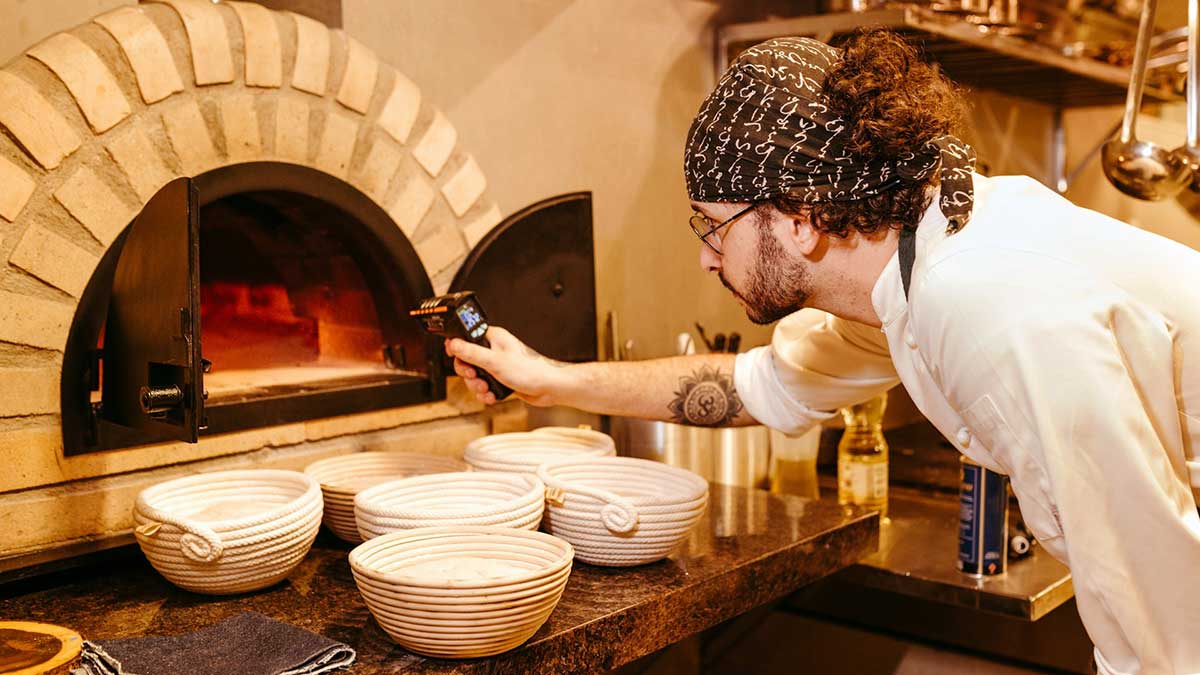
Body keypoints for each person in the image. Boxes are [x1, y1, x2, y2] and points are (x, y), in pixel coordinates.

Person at [446, 29, 1200, 675]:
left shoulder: (983, 304)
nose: (707, 259)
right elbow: (756, 384)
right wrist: (546, 379)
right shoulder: (909, 260)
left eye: (711, 225)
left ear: (801, 216)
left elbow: (1163, 626)